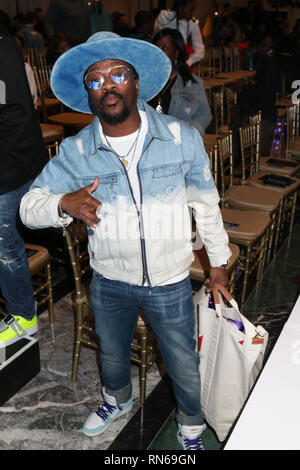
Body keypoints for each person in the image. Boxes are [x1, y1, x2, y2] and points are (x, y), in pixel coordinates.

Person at [20, 32, 231, 450]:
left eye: (118, 74)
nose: (108, 85)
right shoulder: (77, 151)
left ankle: (191, 424)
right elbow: (28, 206)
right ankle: (115, 399)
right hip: (110, 277)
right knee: (112, 355)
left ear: (136, 83)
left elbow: (206, 204)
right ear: (88, 94)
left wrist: (218, 265)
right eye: (96, 80)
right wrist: (64, 203)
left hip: (170, 276)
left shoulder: (178, 137)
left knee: (184, 364)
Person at [0, 21, 47, 349]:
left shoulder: (1, 48)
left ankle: (23, 316)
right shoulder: (6, 45)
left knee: (6, 248)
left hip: (10, 166)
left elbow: (12, 112)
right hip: (18, 159)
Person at [149, 28, 212, 137]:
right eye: (156, 48)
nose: (159, 52)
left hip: (180, 143)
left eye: (165, 48)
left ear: (177, 52)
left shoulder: (192, 83)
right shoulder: (145, 82)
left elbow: (204, 115)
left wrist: (189, 135)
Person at [154, 0, 205, 67]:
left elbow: (200, 49)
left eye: (194, 10)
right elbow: (155, 39)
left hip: (180, 62)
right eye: (190, 10)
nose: (192, 13)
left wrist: (188, 62)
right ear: (180, 8)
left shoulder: (192, 24)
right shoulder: (164, 18)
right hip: (161, 59)